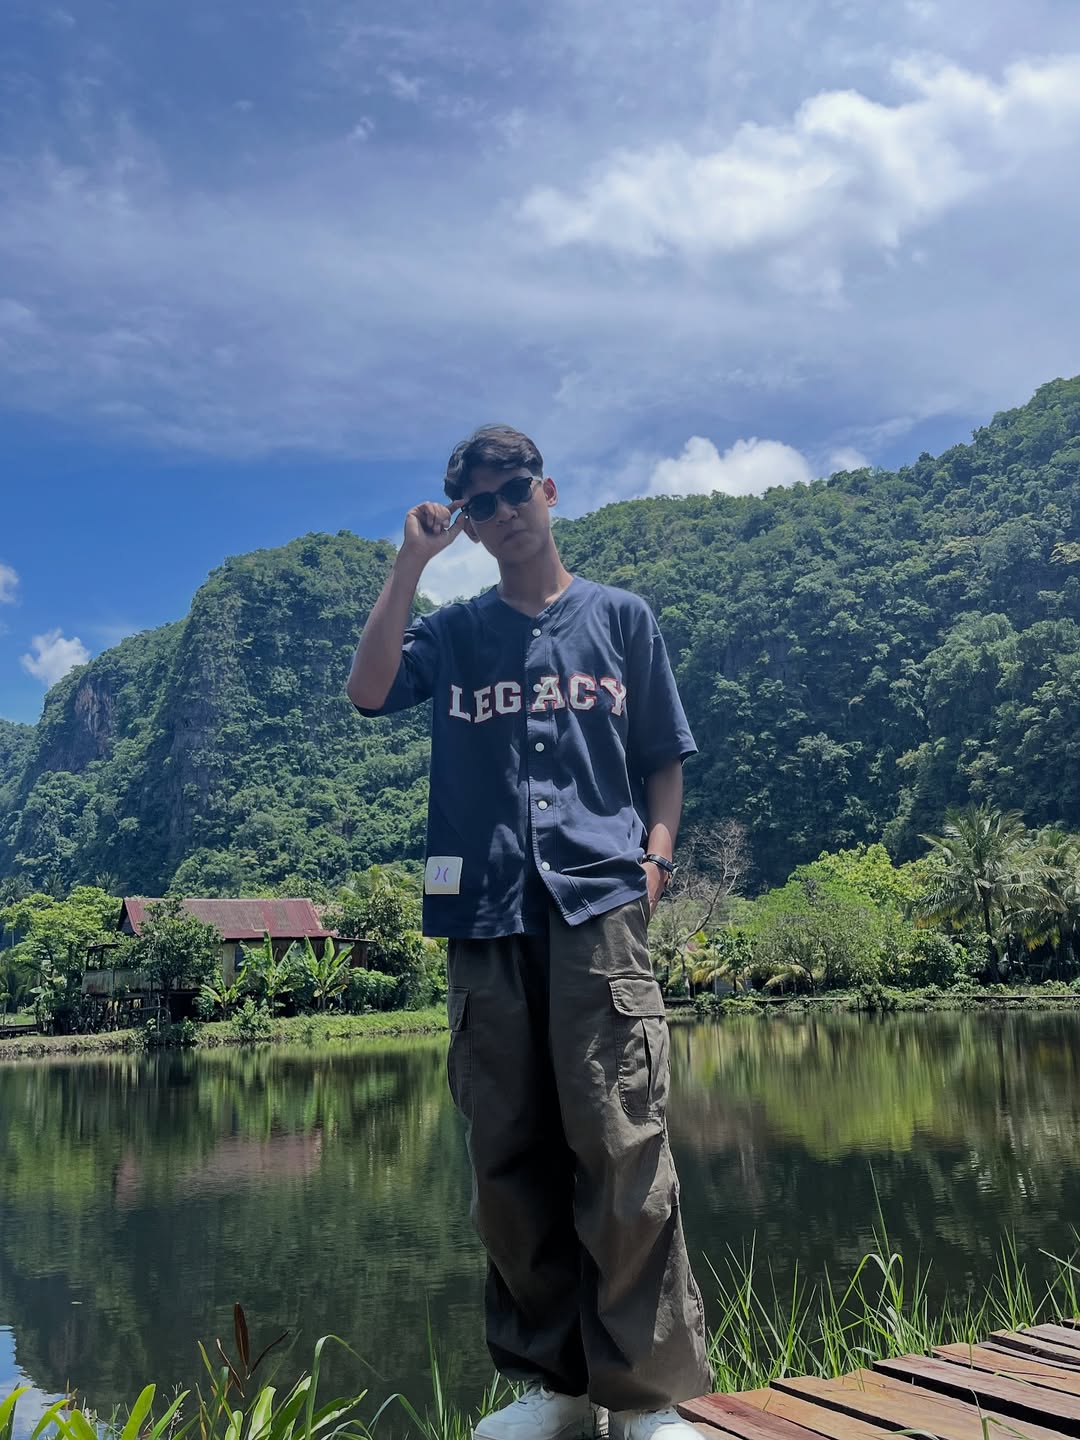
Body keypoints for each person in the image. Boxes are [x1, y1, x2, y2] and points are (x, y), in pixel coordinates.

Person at [346, 425, 711, 1440]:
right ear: (466, 522)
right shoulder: (454, 631)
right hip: (483, 914)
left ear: (548, 492)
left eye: (516, 491)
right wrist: (410, 563)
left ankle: (645, 1400)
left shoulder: (621, 619)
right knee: (506, 1158)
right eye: (481, 504)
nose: (503, 512)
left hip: (598, 908)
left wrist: (656, 861)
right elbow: (369, 690)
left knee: (623, 1145)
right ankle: (555, 1390)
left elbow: (663, 757)